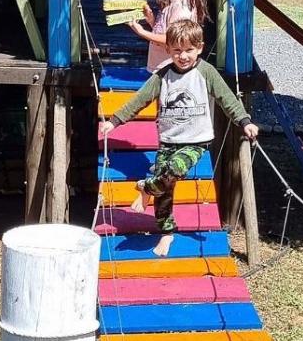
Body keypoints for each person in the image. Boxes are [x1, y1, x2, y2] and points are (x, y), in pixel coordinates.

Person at [99, 20, 259, 257]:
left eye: (189, 50)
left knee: (175, 168)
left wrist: (244, 121)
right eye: (176, 50)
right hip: (168, 142)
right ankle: (167, 232)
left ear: (200, 48)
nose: (183, 56)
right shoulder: (163, 75)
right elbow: (140, 99)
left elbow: (227, 99)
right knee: (164, 193)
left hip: (195, 142)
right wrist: (114, 121)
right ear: (168, 49)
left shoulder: (206, 72)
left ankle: (146, 187)